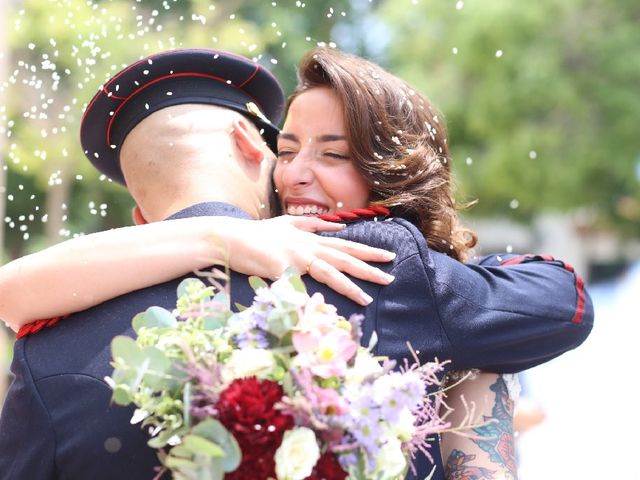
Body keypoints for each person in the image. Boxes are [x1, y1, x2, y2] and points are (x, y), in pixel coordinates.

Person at [0, 48, 593, 479]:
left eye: (329, 153)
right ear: (251, 144)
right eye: (285, 149)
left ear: (138, 219)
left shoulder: (45, 350)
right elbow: (563, 302)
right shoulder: (362, 261)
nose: (295, 175)